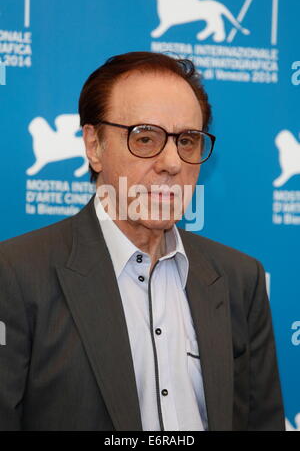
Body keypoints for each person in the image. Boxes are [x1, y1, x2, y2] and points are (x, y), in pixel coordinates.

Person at [0, 52, 285, 431]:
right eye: (145, 138)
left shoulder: (240, 279)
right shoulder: (16, 275)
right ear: (94, 146)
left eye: (187, 141)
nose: (172, 162)